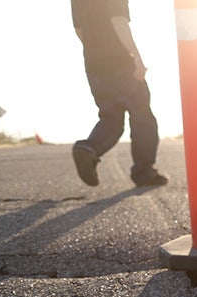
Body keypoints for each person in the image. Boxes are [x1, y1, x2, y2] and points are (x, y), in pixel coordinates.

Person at [71, 0, 167, 187]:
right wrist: (135, 56)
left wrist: (96, 53)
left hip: (93, 65)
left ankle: (89, 148)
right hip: (121, 63)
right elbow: (118, 21)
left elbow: (79, 30)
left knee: (111, 118)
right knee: (142, 117)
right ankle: (144, 172)